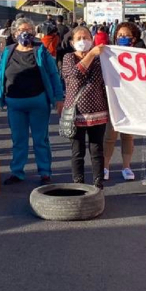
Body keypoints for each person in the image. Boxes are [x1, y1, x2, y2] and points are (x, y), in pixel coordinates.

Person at [0, 17, 64, 184]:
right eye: (21, 30)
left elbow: (53, 75)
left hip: (38, 102)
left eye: (29, 30)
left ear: (34, 32)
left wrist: (59, 98)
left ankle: (45, 171)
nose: (25, 33)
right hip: (14, 104)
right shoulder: (8, 52)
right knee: (18, 140)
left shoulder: (41, 51)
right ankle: (17, 172)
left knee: (41, 139)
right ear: (15, 33)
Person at [62, 26, 108, 189]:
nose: (83, 41)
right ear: (72, 42)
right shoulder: (68, 58)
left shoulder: (101, 58)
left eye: (87, 37)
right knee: (77, 152)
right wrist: (92, 54)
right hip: (76, 113)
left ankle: (98, 183)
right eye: (79, 38)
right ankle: (78, 184)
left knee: (97, 151)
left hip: (98, 112)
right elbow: (75, 74)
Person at [104, 22, 142, 181]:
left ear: (133, 38)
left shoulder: (140, 55)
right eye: (119, 36)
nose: (122, 38)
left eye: (126, 36)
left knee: (128, 136)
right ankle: (104, 167)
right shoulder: (109, 53)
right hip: (114, 97)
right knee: (109, 136)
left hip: (131, 99)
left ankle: (126, 167)